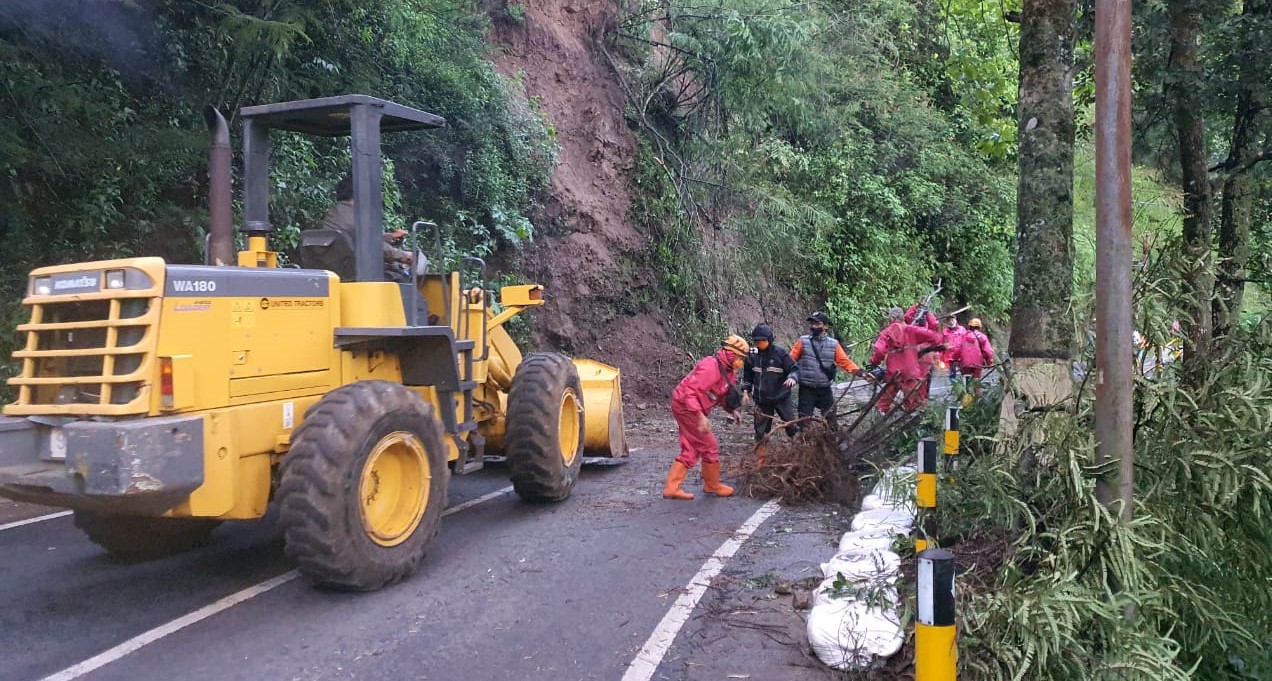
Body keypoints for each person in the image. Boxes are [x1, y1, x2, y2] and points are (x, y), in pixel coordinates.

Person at [664, 335, 750, 500]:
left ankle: (672, 487)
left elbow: (721, 395)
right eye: (740, 358)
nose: (741, 362)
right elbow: (690, 392)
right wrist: (700, 416)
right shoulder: (710, 367)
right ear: (732, 353)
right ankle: (712, 485)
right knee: (709, 445)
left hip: (693, 408)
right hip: (686, 407)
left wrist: (732, 411)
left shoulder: (728, 371)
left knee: (691, 447)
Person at [315, 176, 414, 278]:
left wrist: (390, 236)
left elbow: (355, 236)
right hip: (354, 273)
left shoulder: (333, 214)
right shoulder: (356, 218)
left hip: (336, 270)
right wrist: (404, 256)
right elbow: (374, 246)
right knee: (400, 278)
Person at [789, 312, 862, 430]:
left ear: (825, 326)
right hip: (806, 388)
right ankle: (804, 445)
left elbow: (844, 361)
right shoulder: (802, 341)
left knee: (831, 419)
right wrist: (790, 376)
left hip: (825, 388)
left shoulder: (833, 345)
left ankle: (832, 442)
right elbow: (790, 360)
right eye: (812, 323)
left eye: (818, 324)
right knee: (804, 421)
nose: (814, 327)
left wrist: (860, 372)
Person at [869, 307, 943, 413]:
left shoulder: (887, 331)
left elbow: (879, 350)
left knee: (883, 402)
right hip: (911, 372)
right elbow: (934, 336)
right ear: (902, 317)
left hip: (894, 373)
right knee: (913, 403)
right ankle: (911, 424)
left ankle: (879, 419)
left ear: (892, 318)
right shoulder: (911, 330)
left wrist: (874, 362)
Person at [741, 323, 799, 442]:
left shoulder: (780, 353)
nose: (759, 343)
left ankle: (798, 448)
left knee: (791, 425)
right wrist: (746, 391)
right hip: (762, 400)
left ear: (769, 339)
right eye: (756, 341)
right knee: (760, 430)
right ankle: (761, 455)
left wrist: (792, 378)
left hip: (781, 396)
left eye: (762, 341)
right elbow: (747, 375)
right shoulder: (752, 356)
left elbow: (794, 368)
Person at [905, 303, 941, 403]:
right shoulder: (914, 329)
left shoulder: (919, 330)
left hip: (923, 361)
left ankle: (918, 403)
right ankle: (914, 404)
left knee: (920, 384)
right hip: (917, 361)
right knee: (914, 383)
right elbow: (907, 317)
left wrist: (925, 311)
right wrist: (917, 306)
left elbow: (934, 323)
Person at [956, 319, 995, 392]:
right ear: (979, 327)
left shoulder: (963, 336)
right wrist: (989, 362)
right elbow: (988, 351)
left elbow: (957, 349)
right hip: (977, 364)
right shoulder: (982, 337)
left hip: (965, 364)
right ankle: (976, 399)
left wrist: (957, 361)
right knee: (976, 381)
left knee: (966, 381)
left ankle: (967, 398)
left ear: (969, 326)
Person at [942, 316, 967, 380]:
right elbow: (942, 343)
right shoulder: (944, 331)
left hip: (961, 355)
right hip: (950, 356)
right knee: (952, 374)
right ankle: (955, 388)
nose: (951, 321)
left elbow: (966, 341)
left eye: (952, 320)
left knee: (965, 373)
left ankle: (967, 388)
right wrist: (941, 356)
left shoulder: (962, 329)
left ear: (956, 320)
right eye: (949, 320)